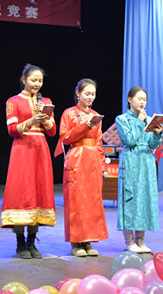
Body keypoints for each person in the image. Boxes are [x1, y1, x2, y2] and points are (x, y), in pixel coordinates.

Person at [1, 64, 56, 259]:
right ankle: (20, 243)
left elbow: (52, 131)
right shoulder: (13, 101)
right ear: (24, 79)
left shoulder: (46, 102)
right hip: (22, 150)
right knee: (21, 193)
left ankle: (32, 241)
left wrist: (45, 118)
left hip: (41, 150)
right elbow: (12, 130)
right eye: (33, 80)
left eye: (40, 80)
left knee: (38, 193)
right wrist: (31, 121)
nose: (37, 84)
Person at [55, 78, 108, 257]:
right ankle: (75, 243)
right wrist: (85, 126)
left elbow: (99, 142)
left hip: (93, 159)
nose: (90, 97)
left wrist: (102, 164)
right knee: (76, 201)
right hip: (77, 157)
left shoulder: (96, 115)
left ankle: (88, 241)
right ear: (78, 93)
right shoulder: (69, 113)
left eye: (93, 94)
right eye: (87, 93)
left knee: (92, 201)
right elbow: (65, 138)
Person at [114, 86, 163, 254]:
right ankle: (129, 241)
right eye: (139, 98)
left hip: (146, 161)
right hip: (131, 160)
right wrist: (139, 123)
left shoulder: (148, 119)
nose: (142, 102)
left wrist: (157, 134)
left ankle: (141, 241)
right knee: (130, 199)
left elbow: (152, 144)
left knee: (144, 199)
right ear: (129, 99)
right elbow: (130, 140)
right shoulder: (122, 119)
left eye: (144, 99)